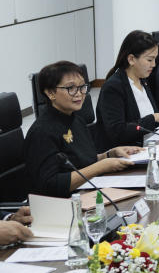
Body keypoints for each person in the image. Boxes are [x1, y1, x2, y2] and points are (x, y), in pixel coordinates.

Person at [24, 61, 141, 197]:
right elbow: (50, 184)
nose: (79, 94)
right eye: (71, 88)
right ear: (51, 93)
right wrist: (101, 166)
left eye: (82, 87)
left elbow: (81, 161)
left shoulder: (76, 119)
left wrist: (109, 155)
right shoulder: (42, 132)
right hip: (62, 204)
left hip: (87, 191)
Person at [96, 30, 159, 148]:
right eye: (149, 60)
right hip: (128, 153)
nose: (154, 64)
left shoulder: (143, 79)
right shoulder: (113, 87)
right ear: (131, 59)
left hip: (151, 144)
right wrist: (156, 117)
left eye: (155, 59)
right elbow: (118, 132)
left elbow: (147, 116)